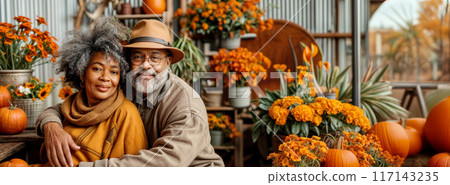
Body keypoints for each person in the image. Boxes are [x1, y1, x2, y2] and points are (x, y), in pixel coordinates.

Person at [36, 19, 224, 167]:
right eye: (138, 56)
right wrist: (51, 126)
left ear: (168, 63)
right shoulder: (126, 84)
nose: (146, 65)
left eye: (155, 58)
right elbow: (65, 107)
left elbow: (164, 163)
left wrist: (88, 170)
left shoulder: (185, 106)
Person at [37, 17, 148, 167]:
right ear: (82, 72)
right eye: (97, 69)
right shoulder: (72, 105)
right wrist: (51, 126)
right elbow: (50, 112)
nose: (105, 78)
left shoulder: (126, 113)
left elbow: (137, 169)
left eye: (114, 72)